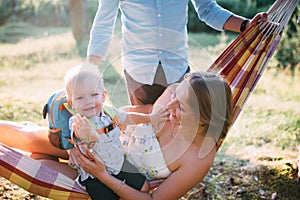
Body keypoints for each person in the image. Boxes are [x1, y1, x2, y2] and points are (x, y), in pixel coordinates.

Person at [0, 71, 232, 199]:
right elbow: (128, 113)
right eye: (174, 96)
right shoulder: (171, 96)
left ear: (205, 120)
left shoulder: (198, 158)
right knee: (29, 137)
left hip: (108, 176)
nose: (170, 105)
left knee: (32, 165)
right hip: (94, 136)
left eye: (181, 107)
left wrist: (101, 175)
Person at [87, 0, 267, 107]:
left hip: (177, 67)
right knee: (146, 136)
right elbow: (104, 21)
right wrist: (90, 68)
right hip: (139, 71)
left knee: (180, 134)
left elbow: (208, 10)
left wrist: (246, 26)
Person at [63, 63, 168, 199]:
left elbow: (128, 118)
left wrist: (151, 118)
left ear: (103, 96)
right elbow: (80, 135)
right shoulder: (78, 122)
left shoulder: (108, 111)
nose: (88, 101)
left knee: (145, 187)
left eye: (94, 94)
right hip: (94, 174)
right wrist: (86, 134)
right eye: (80, 98)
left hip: (119, 164)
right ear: (72, 103)